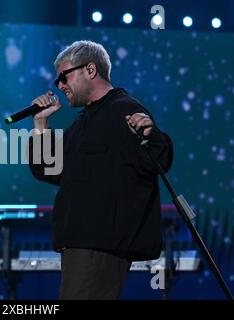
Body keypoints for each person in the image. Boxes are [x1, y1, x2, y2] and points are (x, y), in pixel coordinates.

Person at [28, 40, 174, 299]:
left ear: (90, 70)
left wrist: (150, 135)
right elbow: (49, 169)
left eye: (64, 76)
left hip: (99, 246)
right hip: (81, 245)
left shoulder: (124, 109)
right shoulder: (87, 119)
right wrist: (41, 124)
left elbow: (158, 160)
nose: (60, 85)